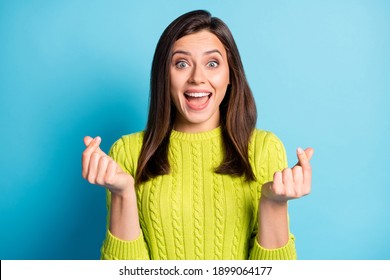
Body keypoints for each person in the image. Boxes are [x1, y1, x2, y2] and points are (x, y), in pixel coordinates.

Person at [81, 10, 314, 260]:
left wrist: (273, 203)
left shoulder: (263, 148)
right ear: (164, 75)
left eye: (212, 63)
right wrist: (122, 193)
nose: (197, 78)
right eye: (181, 64)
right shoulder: (128, 151)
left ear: (230, 75)